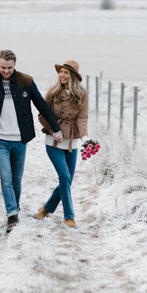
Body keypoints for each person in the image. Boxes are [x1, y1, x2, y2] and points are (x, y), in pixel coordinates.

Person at [0, 49, 61, 233]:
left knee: (17, 179)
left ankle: (14, 208)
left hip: (19, 139)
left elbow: (41, 104)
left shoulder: (26, 81)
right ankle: (11, 214)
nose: (7, 71)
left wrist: (56, 128)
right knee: (6, 177)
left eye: (10, 67)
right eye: (3, 67)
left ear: (14, 65)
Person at [34, 60, 89, 228]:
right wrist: (53, 130)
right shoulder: (53, 91)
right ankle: (69, 216)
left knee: (68, 180)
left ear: (73, 76)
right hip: (54, 141)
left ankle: (46, 208)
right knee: (64, 177)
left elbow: (82, 116)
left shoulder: (82, 93)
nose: (62, 75)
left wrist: (84, 135)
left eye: (66, 73)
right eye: (61, 72)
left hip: (72, 140)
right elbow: (43, 114)